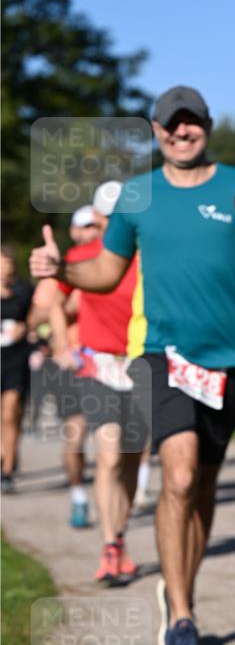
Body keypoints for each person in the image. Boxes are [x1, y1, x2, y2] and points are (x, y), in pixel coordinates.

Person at [31, 86, 235, 645]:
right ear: (155, 129)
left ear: (207, 127)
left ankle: (180, 591)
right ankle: (182, 616)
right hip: (159, 357)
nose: (181, 132)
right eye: (171, 124)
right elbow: (106, 269)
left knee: (202, 489)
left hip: (227, 362)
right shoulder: (136, 195)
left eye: (191, 122)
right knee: (179, 473)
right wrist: (63, 268)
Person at [50, 182, 145, 584]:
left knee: (131, 459)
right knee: (108, 456)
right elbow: (55, 299)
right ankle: (109, 545)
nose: (108, 223)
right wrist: (60, 343)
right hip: (98, 364)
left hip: (142, 365)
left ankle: (119, 537)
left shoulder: (149, 255)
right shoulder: (83, 254)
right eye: (104, 216)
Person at [30, 205, 100, 527]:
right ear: (74, 231)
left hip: (113, 358)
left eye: (97, 225)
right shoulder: (62, 266)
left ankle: (132, 490)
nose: (92, 231)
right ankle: (78, 495)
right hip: (73, 362)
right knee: (76, 433)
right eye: (85, 226)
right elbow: (35, 316)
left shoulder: (117, 260)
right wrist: (66, 311)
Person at [1, 246, 34, 492]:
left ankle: (8, 470)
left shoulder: (24, 291)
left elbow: (37, 317)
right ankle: (4, 453)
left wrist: (26, 328)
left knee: (11, 412)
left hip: (16, 358)